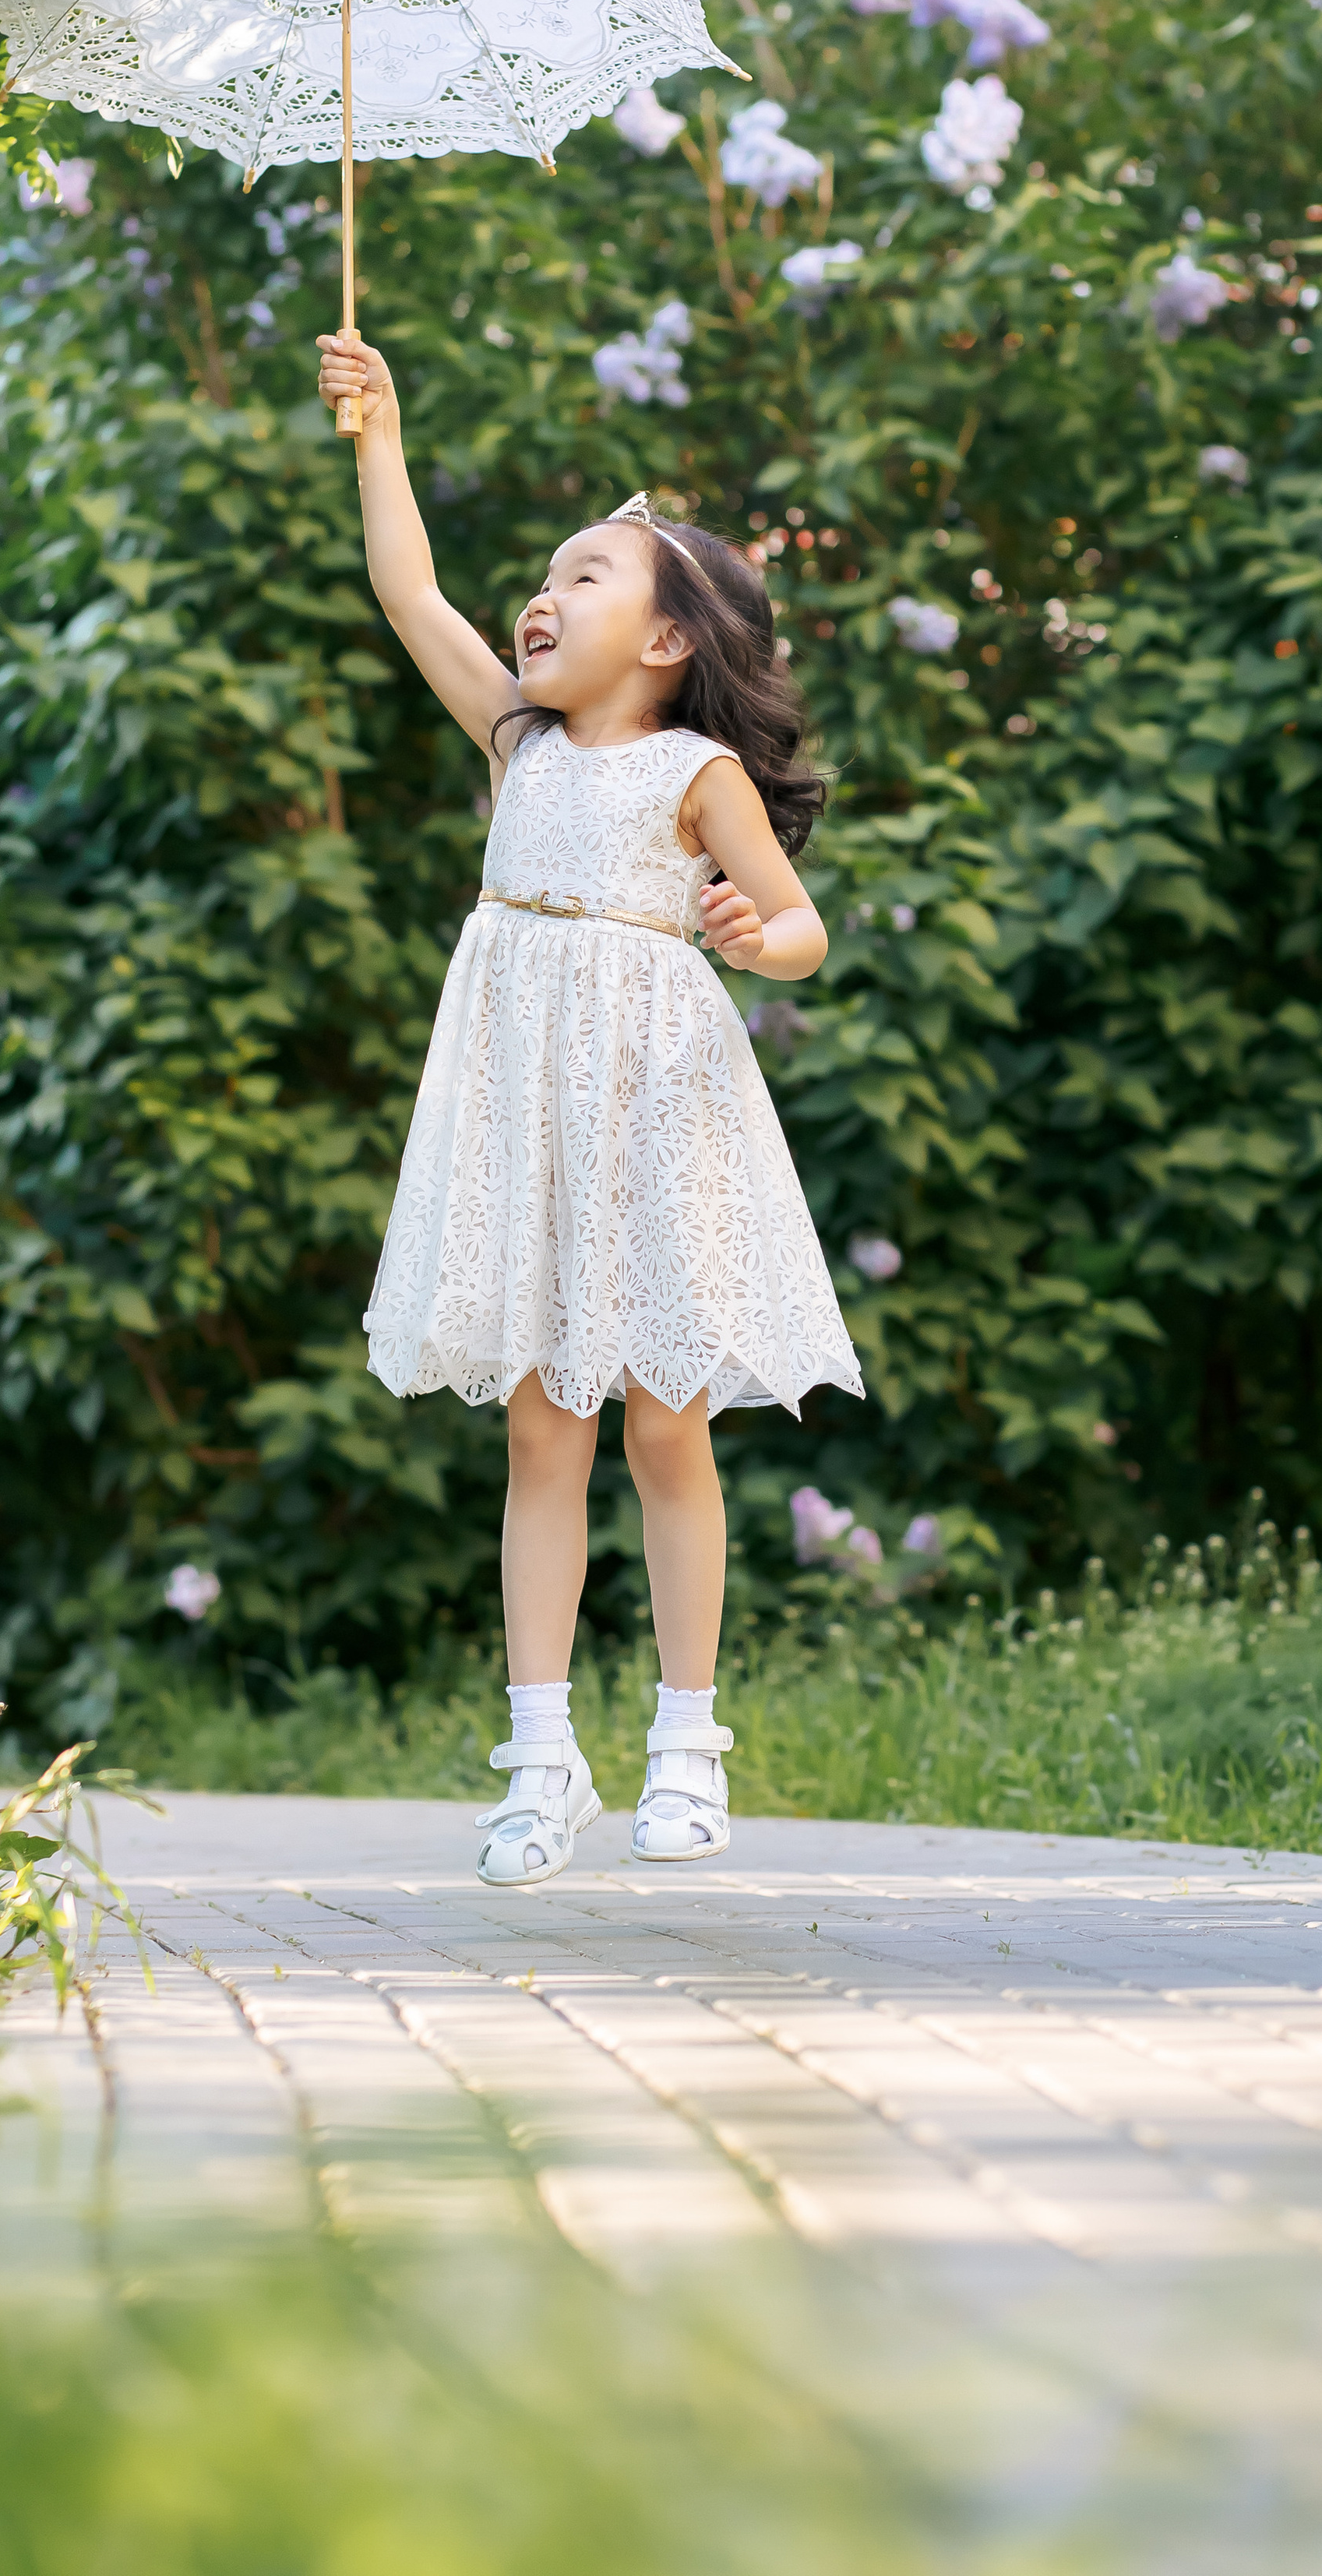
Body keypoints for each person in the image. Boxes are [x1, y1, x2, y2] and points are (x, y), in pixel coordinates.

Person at [316, 330, 862, 1890]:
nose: (540, 597)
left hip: (654, 1111)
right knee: (539, 1426)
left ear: (669, 640)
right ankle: (539, 1755)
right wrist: (379, 432)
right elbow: (409, 592)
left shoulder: (694, 773)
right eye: (545, 577)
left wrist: (761, 936)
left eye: (586, 576)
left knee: (662, 1421)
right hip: (524, 1116)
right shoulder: (521, 743)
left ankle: (687, 1744)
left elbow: (800, 924)